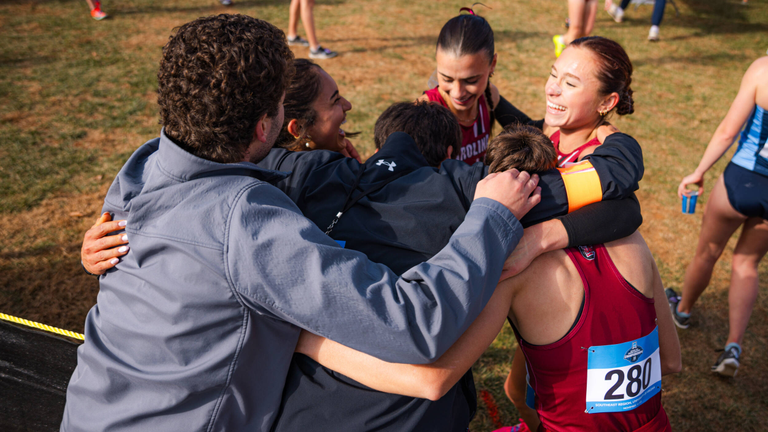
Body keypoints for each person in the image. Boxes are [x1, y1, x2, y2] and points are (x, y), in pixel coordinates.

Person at [61, 14, 544, 432]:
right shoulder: (248, 225)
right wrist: (491, 216)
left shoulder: (141, 167)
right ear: (264, 127)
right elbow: (413, 324)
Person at [81, 99, 643, 431]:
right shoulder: (466, 187)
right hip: (409, 409)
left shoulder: (296, 176)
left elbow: (193, 156)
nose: (344, 105)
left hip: (293, 411)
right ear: (449, 153)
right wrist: (545, 227)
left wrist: (112, 226)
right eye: (335, 100)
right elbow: (619, 191)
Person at [292, 128, 680, 432]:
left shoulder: (509, 268)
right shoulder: (633, 240)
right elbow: (672, 360)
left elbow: (434, 381)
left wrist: (305, 340)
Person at [666, 56, 768, 377]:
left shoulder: (762, 69)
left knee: (707, 253)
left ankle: (683, 311)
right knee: (747, 264)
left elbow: (727, 131)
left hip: (742, 178)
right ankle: (733, 346)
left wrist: (698, 172)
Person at [418, 10, 534, 165]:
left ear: (492, 65)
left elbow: (530, 128)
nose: (458, 93)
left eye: (471, 81)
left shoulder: (489, 96)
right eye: (447, 79)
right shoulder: (425, 114)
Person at [275, 58, 360, 160]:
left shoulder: (270, 162)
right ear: (298, 129)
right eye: (336, 100)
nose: (348, 105)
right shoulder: (317, 170)